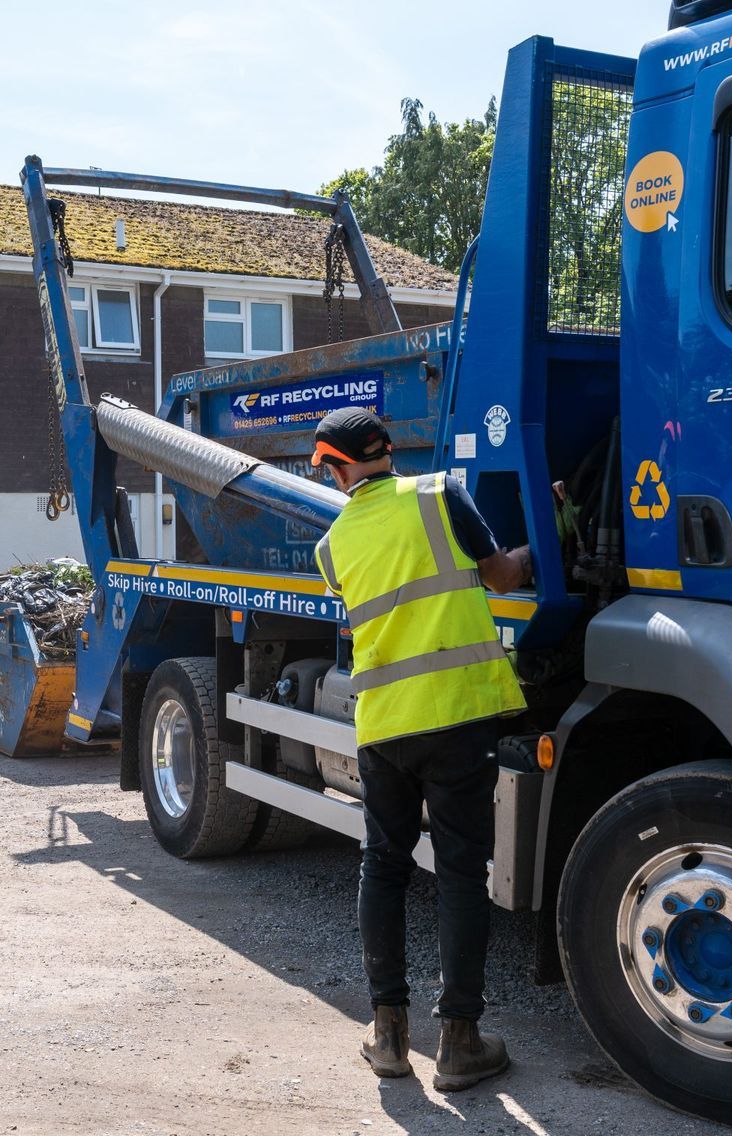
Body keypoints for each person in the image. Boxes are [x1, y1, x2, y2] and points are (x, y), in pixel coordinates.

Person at [308, 405, 530, 1092]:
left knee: (385, 867)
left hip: (383, 727)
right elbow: (500, 578)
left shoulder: (332, 544)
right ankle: (460, 1043)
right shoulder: (441, 494)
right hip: (459, 716)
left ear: (337, 467)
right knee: (461, 871)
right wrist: (540, 538)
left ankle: (389, 1037)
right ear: (386, 451)